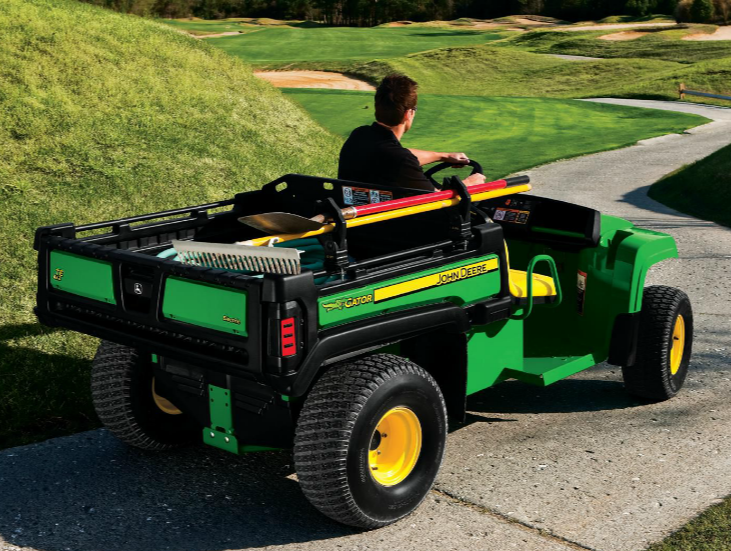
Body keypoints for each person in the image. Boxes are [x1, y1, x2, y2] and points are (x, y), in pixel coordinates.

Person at [338, 74, 486, 191]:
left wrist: (442, 156)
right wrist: (469, 183)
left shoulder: (359, 136)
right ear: (408, 114)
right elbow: (437, 200)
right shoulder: (401, 161)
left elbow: (401, 155)